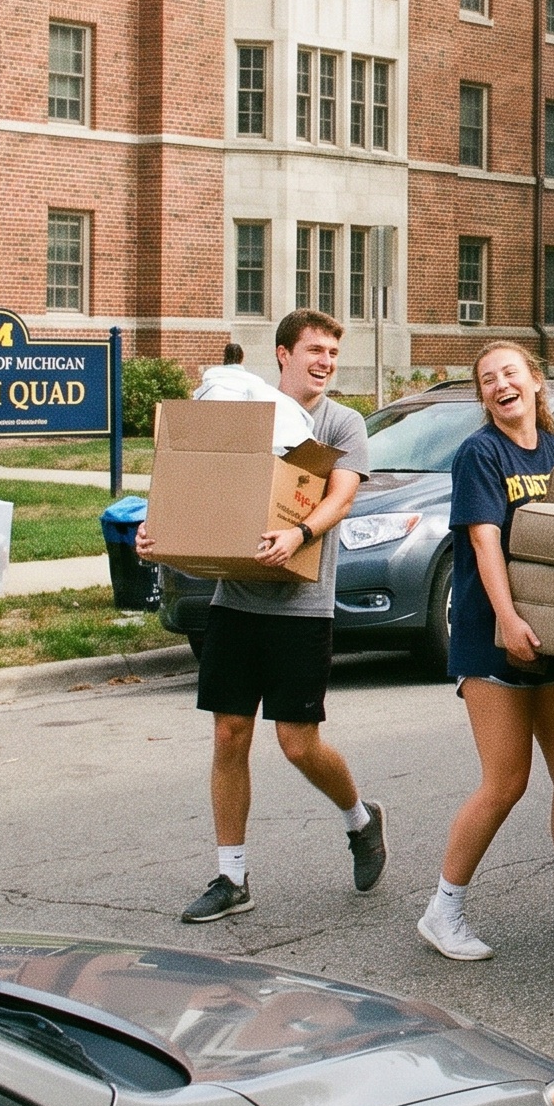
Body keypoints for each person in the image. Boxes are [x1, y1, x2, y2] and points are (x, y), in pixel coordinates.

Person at [143, 309, 383, 924]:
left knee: (298, 745)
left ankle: (360, 818)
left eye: (332, 351)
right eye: (314, 350)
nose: (326, 361)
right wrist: (161, 533)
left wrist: (299, 532)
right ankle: (232, 876)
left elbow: (342, 494)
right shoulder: (246, 416)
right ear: (283, 354)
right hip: (236, 601)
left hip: (302, 606)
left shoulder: (341, 424)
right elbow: (202, 483)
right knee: (229, 734)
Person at [415, 340, 554, 962]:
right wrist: (509, 620)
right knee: (505, 782)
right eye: (488, 379)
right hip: (491, 637)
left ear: (537, 382)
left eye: (510, 373)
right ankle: (444, 910)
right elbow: (486, 543)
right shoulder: (478, 454)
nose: (500, 385)